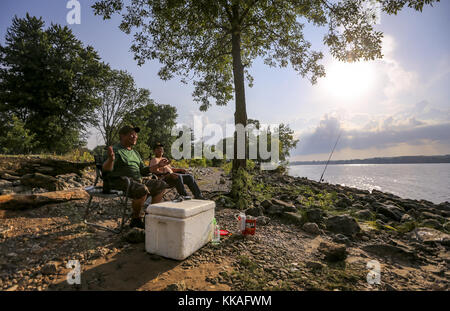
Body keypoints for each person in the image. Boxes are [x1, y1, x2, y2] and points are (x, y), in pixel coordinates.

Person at [102, 125, 169, 229]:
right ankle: (136, 219)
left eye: (135, 134)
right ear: (122, 136)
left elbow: (143, 170)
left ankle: (149, 216)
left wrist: (158, 166)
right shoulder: (116, 150)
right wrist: (110, 160)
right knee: (141, 189)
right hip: (119, 181)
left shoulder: (135, 152)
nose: (134, 136)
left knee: (161, 185)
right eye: (131, 134)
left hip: (137, 180)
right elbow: (105, 170)